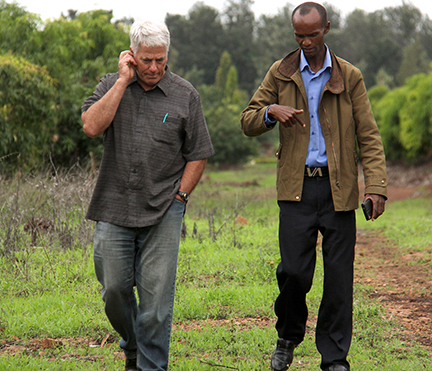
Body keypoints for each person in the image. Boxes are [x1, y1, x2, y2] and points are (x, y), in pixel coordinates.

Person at [240, 3, 387, 371]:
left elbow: (368, 135)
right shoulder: (281, 72)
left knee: (339, 279)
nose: (305, 42)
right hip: (296, 190)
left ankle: (334, 358)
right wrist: (271, 112)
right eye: (298, 35)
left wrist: (377, 187)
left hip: (338, 191)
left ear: (326, 29)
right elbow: (248, 120)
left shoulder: (349, 76)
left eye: (312, 34)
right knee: (293, 272)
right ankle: (288, 335)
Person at [81, 20, 214, 371]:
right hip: (113, 206)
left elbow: (198, 153)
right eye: (146, 60)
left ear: (168, 55)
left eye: (160, 59)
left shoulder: (185, 94)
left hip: (164, 210)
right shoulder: (112, 84)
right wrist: (123, 81)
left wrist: (181, 198)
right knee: (113, 291)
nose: (154, 67)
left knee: (156, 304)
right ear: (132, 56)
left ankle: (151, 366)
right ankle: (133, 345)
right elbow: (92, 126)